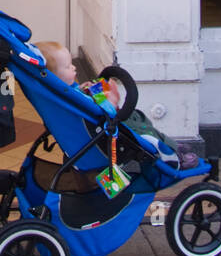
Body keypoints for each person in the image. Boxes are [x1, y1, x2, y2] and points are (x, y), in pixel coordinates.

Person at [34, 41, 198, 170]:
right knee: (139, 127)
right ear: (54, 76)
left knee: (138, 117)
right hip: (104, 132)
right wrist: (113, 98)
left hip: (93, 129)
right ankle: (170, 154)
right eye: (68, 66)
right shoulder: (68, 96)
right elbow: (104, 110)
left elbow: (85, 99)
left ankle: (170, 144)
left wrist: (92, 88)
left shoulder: (62, 93)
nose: (74, 67)